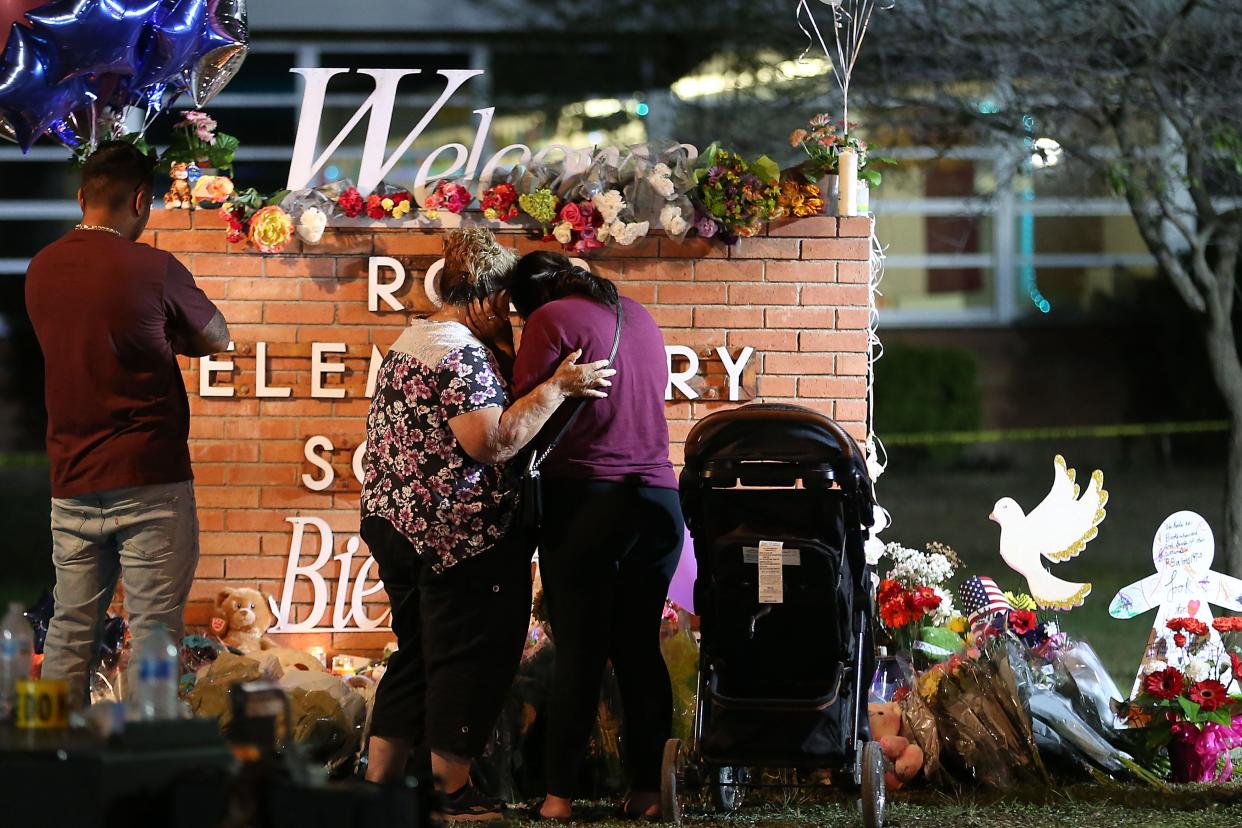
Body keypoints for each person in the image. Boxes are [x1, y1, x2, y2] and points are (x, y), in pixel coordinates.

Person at [360, 228, 615, 822]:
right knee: (467, 655)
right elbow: (492, 440)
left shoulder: (414, 339)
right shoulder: (460, 351)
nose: (512, 315)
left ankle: (380, 786)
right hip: (455, 533)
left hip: (396, 522)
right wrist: (557, 387)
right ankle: (451, 791)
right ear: (480, 296)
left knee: (417, 654)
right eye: (505, 302)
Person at [24, 141, 230, 706]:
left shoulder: (41, 269)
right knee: (154, 636)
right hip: (149, 479)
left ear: (81, 197)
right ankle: (145, 771)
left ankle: (50, 758)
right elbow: (218, 337)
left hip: (71, 479)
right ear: (141, 199)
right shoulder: (153, 268)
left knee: (69, 629)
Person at [510, 251, 683, 822]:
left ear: (529, 300)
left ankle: (558, 796)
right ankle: (651, 792)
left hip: (587, 499)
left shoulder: (549, 319)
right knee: (638, 648)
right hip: (658, 500)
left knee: (580, 650)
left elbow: (523, 408)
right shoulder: (639, 315)